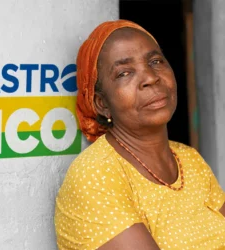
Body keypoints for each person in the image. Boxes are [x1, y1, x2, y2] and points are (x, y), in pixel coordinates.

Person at [54, 20, 225, 250]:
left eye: (155, 61)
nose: (150, 78)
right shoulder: (96, 176)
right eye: (124, 73)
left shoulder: (189, 160)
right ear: (102, 104)